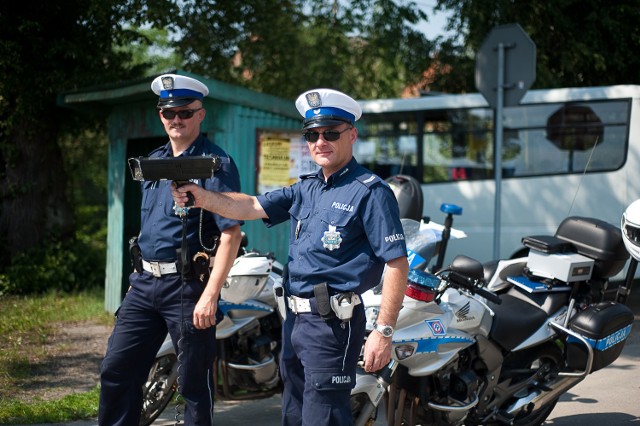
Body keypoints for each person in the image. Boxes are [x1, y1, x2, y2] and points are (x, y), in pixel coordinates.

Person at [172, 88, 409, 426]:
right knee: (294, 417)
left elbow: (397, 263)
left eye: (331, 132)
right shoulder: (306, 187)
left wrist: (384, 332)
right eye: (312, 134)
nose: (320, 141)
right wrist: (202, 197)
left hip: (333, 326)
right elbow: (250, 206)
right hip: (295, 323)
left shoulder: (370, 192)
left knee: (322, 418)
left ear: (352, 135)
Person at [99, 74, 243, 425]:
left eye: (184, 112)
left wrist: (210, 296)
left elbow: (231, 235)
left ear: (200, 114)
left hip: (188, 288)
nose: (175, 119)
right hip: (145, 284)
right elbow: (150, 228)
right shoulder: (154, 161)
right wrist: (137, 278)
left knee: (193, 384)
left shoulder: (215, 164)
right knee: (116, 371)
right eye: (168, 113)